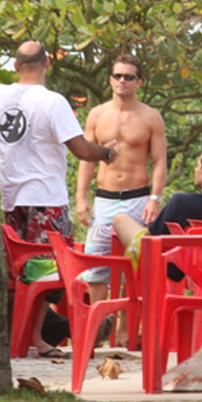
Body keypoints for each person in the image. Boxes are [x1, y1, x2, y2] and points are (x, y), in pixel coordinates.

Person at [0, 40, 118, 358]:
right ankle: (39, 339)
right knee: (50, 273)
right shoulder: (53, 102)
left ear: (16, 66)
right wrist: (106, 152)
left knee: (23, 273)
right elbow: (80, 149)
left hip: (11, 200)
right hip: (45, 198)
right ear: (48, 64)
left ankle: (36, 334)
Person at [76, 54, 167, 306]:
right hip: (104, 197)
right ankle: (100, 323)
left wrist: (155, 199)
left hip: (137, 198)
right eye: (118, 75)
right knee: (96, 267)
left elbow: (160, 161)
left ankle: (127, 329)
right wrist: (81, 197)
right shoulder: (97, 114)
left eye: (129, 76)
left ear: (138, 82)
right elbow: (87, 158)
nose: (122, 81)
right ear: (110, 79)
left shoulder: (150, 117)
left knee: (137, 266)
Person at [112, 145, 202, 281]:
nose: (195, 170)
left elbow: (152, 238)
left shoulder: (182, 201)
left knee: (120, 219)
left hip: (184, 268)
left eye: (198, 166)